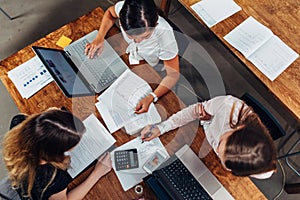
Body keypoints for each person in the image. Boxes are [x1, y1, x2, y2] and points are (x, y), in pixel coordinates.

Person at [141, 95, 277, 179]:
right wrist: (162, 127)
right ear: (240, 128)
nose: (217, 149)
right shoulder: (228, 107)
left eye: (222, 157)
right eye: (221, 143)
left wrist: (207, 121)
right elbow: (195, 110)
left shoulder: (263, 172)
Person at [85, 0, 180, 114]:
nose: (138, 41)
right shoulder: (123, 8)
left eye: (146, 36)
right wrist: (100, 37)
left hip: (151, 68)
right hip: (127, 57)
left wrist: (152, 96)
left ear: (155, 25)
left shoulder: (165, 35)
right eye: (131, 36)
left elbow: (173, 75)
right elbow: (110, 13)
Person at [2, 109, 112, 200]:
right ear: (55, 154)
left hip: (17, 179)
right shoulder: (53, 178)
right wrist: (97, 173)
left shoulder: (19, 123)